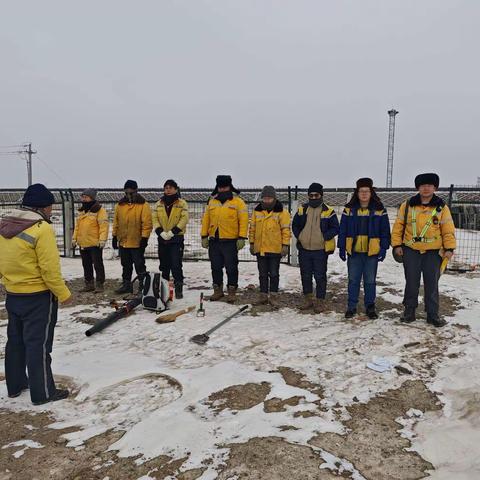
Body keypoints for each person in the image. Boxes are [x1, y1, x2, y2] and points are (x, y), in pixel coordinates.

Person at [0, 184, 72, 405]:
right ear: (43, 207)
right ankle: (43, 394)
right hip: (38, 297)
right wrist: (64, 294)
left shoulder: (5, 225)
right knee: (38, 345)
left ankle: (15, 385)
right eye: (50, 208)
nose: (51, 212)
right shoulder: (42, 229)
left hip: (13, 294)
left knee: (15, 341)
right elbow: (49, 270)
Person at [391, 173, 455, 327]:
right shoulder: (407, 205)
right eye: (423, 185)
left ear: (435, 188)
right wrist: (397, 245)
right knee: (411, 282)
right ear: (418, 187)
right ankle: (409, 311)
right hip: (411, 250)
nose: (426, 188)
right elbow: (398, 226)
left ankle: (432, 314)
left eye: (430, 185)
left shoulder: (442, 207)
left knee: (432, 284)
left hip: (433, 252)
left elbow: (447, 229)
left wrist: (449, 247)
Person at [338, 178, 391, 319]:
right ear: (357, 192)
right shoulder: (348, 210)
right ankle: (351, 306)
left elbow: (385, 231)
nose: (364, 194)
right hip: (354, 253)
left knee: (370, 281)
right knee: (353, 280)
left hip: (371, 253)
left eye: (367, 191)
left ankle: (370, 307)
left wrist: (383, 248)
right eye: (361, 191)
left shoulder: (380, 210)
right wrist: (342, 247)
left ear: (371, 192)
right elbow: (342, 229)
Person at [292, 183, 339, 313]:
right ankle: (308, 300)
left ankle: (320, 301)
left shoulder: (328, 211)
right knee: (305, 275)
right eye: (311, 195)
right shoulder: (302, 209)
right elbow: (295, 225)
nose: (313, 197)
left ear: (321, 195)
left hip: (320, 250)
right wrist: (300, 236)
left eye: (316, 195)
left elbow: (335, 228)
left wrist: (323, 237)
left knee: (320, 276)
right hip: (304, 249)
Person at [201, 175, 248, 303]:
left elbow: (243, 221)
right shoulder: (212, 202)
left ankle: (232, 291)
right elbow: (206, 220)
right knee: (215, 267)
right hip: (214, 241)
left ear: (230, 187)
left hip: (230, 241)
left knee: (231, 267)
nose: (222, 190)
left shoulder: (238, 202)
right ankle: (218, 290)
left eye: (225, 187)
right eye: (220, 187)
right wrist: (204, 235)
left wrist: (242, 237)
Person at [249, 185, 291, 305]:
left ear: (274, 198)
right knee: (262, 273)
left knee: (273, 273)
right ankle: (263, 295)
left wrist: (285, 245)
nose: (267, 200)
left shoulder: (282, 212)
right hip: (260, 248)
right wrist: (252, 243)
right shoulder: (257, 211)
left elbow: (286, 230)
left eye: (269, 198)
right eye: (265, 198)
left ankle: (273, 295)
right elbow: (252, 228)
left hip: (275, 248)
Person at [112, 180, 152, 294]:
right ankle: (126, 285)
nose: (129, 193)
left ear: (136, 190)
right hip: (123, 241)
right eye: (127, 190)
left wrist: (144, 238)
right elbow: (116, 222)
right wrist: (114, 236)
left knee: (139, 264)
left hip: (137, 241)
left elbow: (147, 223)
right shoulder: (120, 205)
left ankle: (143, 286)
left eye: (131, 190)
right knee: (125, 264)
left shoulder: (143, 205)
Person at [152, 179, 189, 299]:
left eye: (170, 188)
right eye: (166, 188)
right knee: (164, 264)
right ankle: (164, 286)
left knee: (176, 263)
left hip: (176, 238)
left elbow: (184, 219)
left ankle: (178, 287)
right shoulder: (159, 204)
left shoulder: (182, 203)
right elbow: (155, 218)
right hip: (162, 238)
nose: (168, 190)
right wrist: (160, 232)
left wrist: (173, 232)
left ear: (175, 189)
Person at [72, 188, 109, 292]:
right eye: (82, 197)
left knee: (97, 264)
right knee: (86, 264)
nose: (83, 199)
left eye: (85, 197)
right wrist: (74, 238)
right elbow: (77, 227)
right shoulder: (82, 211)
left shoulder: (99, 210)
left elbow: (103, 226)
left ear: (91, 198)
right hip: (83, 243)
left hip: (95, 243)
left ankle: (99, 284)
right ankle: (89, 284)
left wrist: (102, 240)